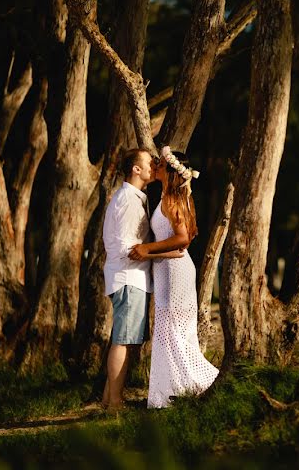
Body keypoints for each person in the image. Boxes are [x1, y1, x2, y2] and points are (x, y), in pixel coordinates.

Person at [129, 146, 219, 408]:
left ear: (169, 170)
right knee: (171, 331)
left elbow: (182, 239)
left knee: (174, 332)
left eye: (159, 163)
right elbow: (182, 245)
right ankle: (174, 390)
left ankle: (203, 382)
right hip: (170, 269)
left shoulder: (172, 200)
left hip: (175, 274)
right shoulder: (172, 197)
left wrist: (147, 249)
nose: (155, 165)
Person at [101, 148, 183, 411]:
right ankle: (115, 402)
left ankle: (107, 399)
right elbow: (126, 247)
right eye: (149, 163)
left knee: (122, 338)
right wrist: (158, 253)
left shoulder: (135, 197)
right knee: (122, 340)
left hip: (131, 278)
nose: (153, 166)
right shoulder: (127, 200)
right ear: (136, 169)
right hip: (128, 277)